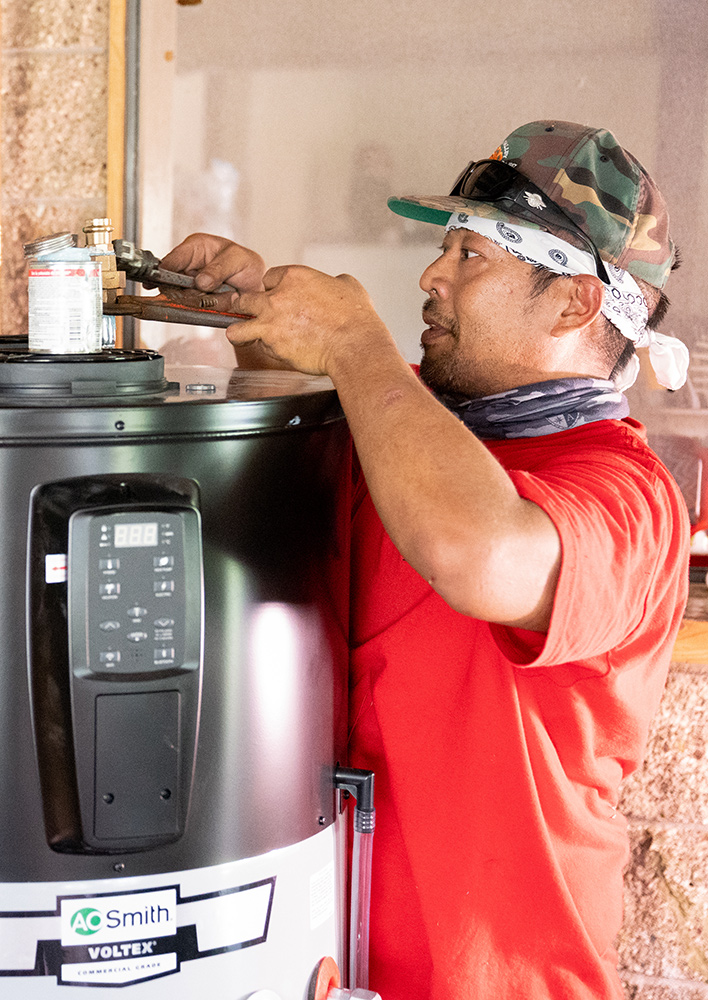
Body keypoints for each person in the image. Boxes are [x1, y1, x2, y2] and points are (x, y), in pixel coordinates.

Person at [159, 121, 691, 999]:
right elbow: (316, 443)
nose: (430, 277)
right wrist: (254, 319)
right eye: (444, 249)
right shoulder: (410, 423)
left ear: (573, 305)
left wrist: (357, 343)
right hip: (331, 964)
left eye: (472, 257)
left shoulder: (623, 494)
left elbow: (477, 552)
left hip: (502, 981)